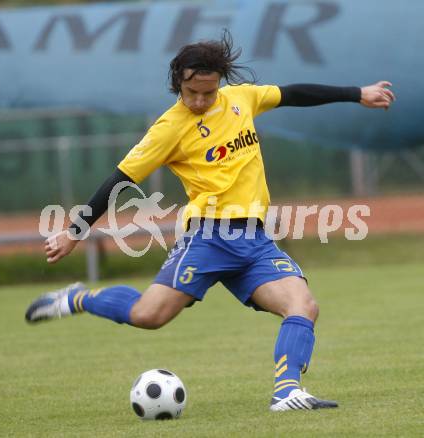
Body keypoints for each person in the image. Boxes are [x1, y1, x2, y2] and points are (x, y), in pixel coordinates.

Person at [25, 31, 395, 412]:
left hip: (254, 240)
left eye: (209, 91)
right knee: (148, 316)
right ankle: (79, 297)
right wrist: (74, 232)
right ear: (177, 84)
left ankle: (287, 392)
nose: (200, 100)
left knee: (303, 305)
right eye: (191, 93)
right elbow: (119, 180)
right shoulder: (169, 128)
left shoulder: (242, 99)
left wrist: (357, 93)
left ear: (220, 82)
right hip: (207, 238)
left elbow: (294, 94)